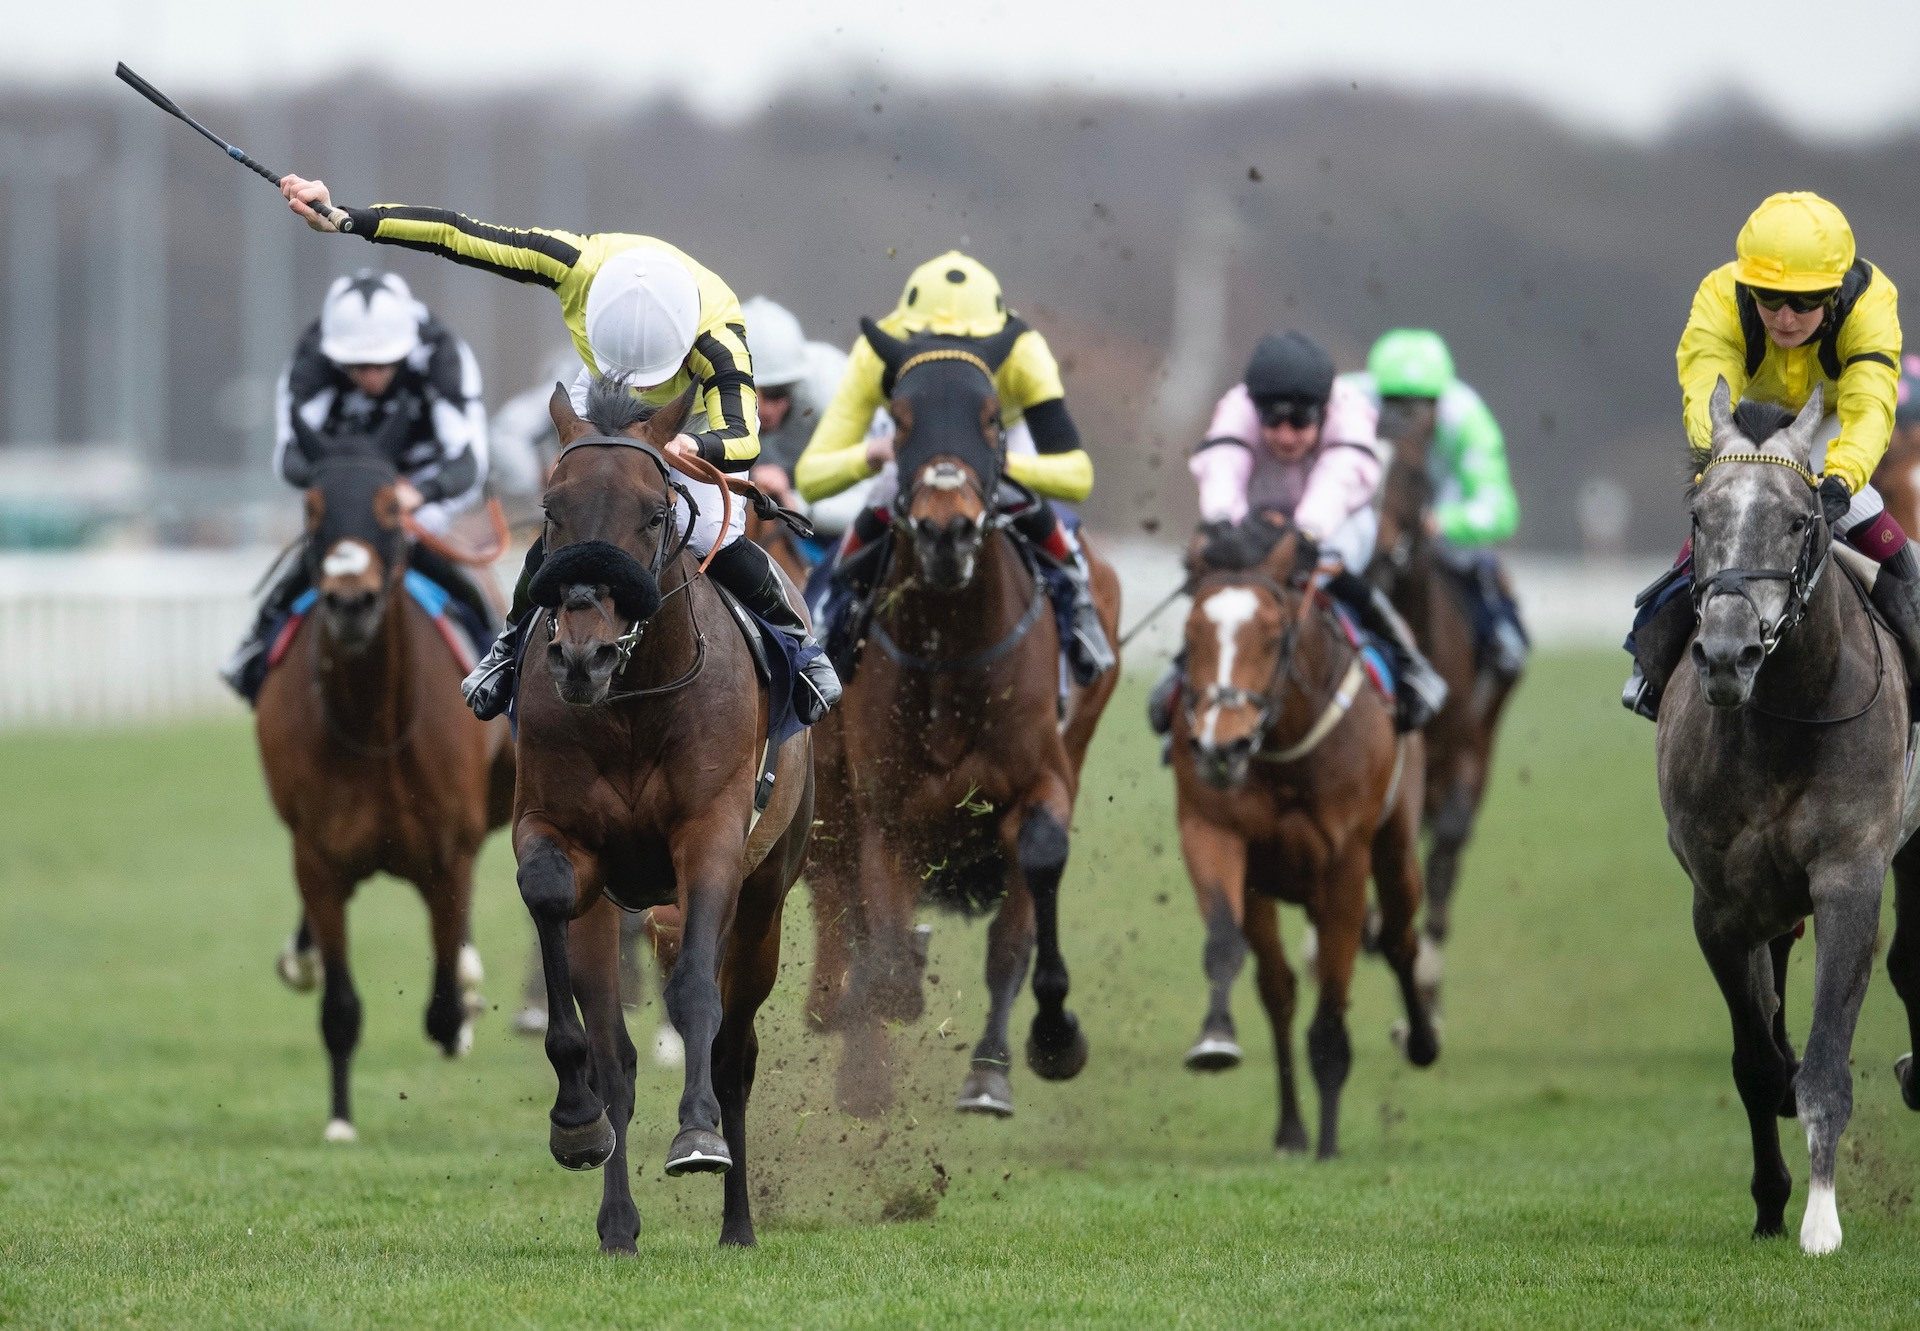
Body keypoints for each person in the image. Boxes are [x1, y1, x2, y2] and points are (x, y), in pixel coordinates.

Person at [275, 174, 842, 724]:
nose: (645, 386)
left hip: (689, 415)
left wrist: (689, 442)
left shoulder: (719, 332)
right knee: (568, 511)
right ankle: (507, 645)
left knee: (712, 523)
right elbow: (455, 233)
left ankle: (799, 645)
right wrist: (349, 218)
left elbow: (742, 440)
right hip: (600, 383)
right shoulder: (578, 265)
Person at [1624, 190, 1915, 718]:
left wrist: (1842, 479)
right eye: (1768, 296)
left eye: (1805, 302)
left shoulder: (1871, 301)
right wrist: (1721, 461)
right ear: (1746, 283)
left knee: (1884, 540)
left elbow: (1870, 403)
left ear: (1834, 291)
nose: (1784, 318)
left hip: (1826, 424)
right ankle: (1652, 668)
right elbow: (1706, 393)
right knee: (1729, 514)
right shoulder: (1719, 296)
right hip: (1743, 428)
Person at [792, 250, 1115, 685]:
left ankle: (1077, 608)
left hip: (998, 442)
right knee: (876, 511)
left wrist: (998, 463)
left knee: (1031, 510)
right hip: (912, 449)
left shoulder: (1024, 353)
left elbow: (1078, 475)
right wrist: (874, 453)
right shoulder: (875, 355)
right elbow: (810, 478)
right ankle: (825, 627)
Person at [1146, 330, 1449, 736]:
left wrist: (1305, 534)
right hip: (1258, 516)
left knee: (1328, 569)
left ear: (1324, 411)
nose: (1286, 435)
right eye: (1273, 421)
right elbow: (1223, 464)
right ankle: (1183, 671)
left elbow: (1338, 480)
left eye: (1301, 421)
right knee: (1222, 577)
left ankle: (1408, 663)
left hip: (1341, 517)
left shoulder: (1350, 409)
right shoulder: (1237, 407)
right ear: (1256, 409)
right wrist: (1223, 523)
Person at [220, 269, 491, 698]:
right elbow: (289, 459)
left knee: (464, 585)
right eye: (357, 365)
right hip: (343, 491)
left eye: (383, 362)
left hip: (424, 492)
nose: (370, 375)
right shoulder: (313, 354)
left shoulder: (441, 351)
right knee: (304, 570)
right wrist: (348, 490)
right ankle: (253, 651)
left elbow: (469, 462)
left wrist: (416, 494)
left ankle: (498, 663)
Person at [1357, 328, 1527, 678]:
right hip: (1372, 511)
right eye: (1393, 405)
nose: (1406, 420)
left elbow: (1500, 511)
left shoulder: (1467, 419)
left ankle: (1499, 640)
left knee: (1464, 561)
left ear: (1440, 401)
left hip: (1442, 518)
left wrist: (1441, 523)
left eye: (1419, 408)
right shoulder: (1348, 400)